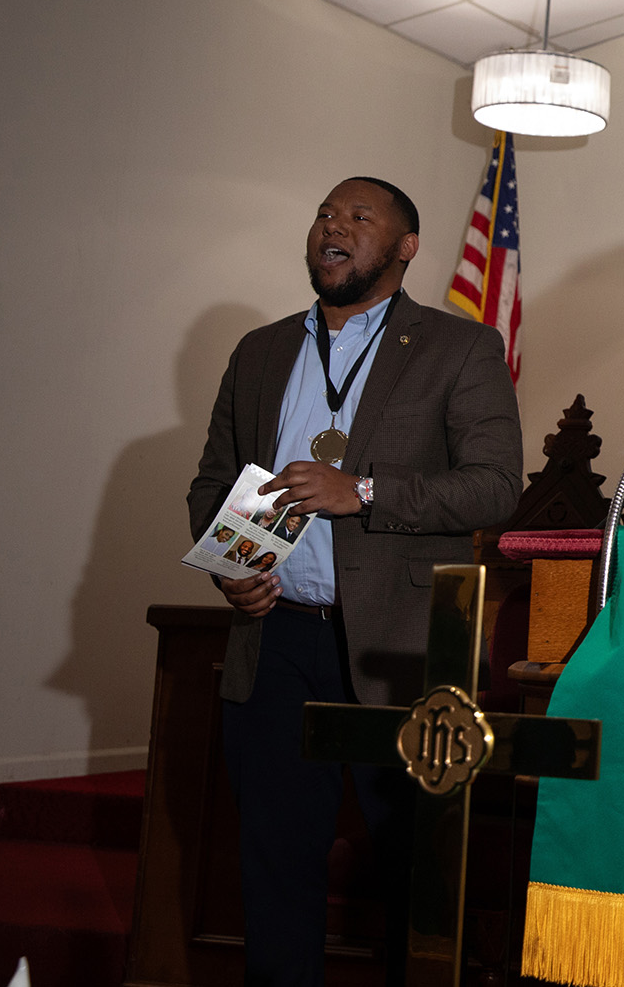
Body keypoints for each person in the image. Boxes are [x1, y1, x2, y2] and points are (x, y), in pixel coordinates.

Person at [188, 177, 522, 985]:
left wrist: (363, 490)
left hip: (399, 651)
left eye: (359, 217)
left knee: (417, 868)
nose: (334, 226)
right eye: (325, 214)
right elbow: (212, 483)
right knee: (276, 869)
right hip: (273, 643)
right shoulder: (260, 350)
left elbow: (494, 485)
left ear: (406, 248)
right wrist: (236, 570)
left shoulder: (459, 347)